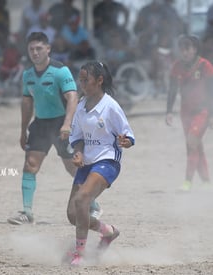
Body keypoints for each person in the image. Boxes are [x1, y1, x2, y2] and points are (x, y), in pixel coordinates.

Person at [7, 32, 102, 225]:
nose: (35, 52)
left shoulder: (60, 71)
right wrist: (23, 130)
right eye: (31, 49)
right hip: (40, 124)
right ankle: (27, 212)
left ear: (48, 49)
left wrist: (67, 124)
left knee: (72, 167)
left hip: (62, 124)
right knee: (30, 165)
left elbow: (72, 98)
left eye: (39, 48)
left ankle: (92, 203)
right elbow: (27, 103)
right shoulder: (27, 75)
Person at [67, 60, 135, 265]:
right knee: (73, 215)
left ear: (99, 80)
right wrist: (78, 153)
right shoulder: (81, 106)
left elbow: (129, 135)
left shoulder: (111, 106)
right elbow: (76, 137)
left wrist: (126, 141)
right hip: (87, 163)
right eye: (80, 80)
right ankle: (107, 232)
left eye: (86, 80)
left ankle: (79, 255)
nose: (82, 84)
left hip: (107, 161)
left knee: (81, 201)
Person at [166, 34, 213, 191]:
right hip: (185, 112)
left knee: (193, 141)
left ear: (194, 49)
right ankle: (206, 182)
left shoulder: (204, 65)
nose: (184, 52)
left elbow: (211, 90)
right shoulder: (177, 66)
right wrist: (169, 111)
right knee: (194, 146)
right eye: (182, 49)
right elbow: (172, 90)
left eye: (187, 49)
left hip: (203, 111)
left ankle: (188, 181)